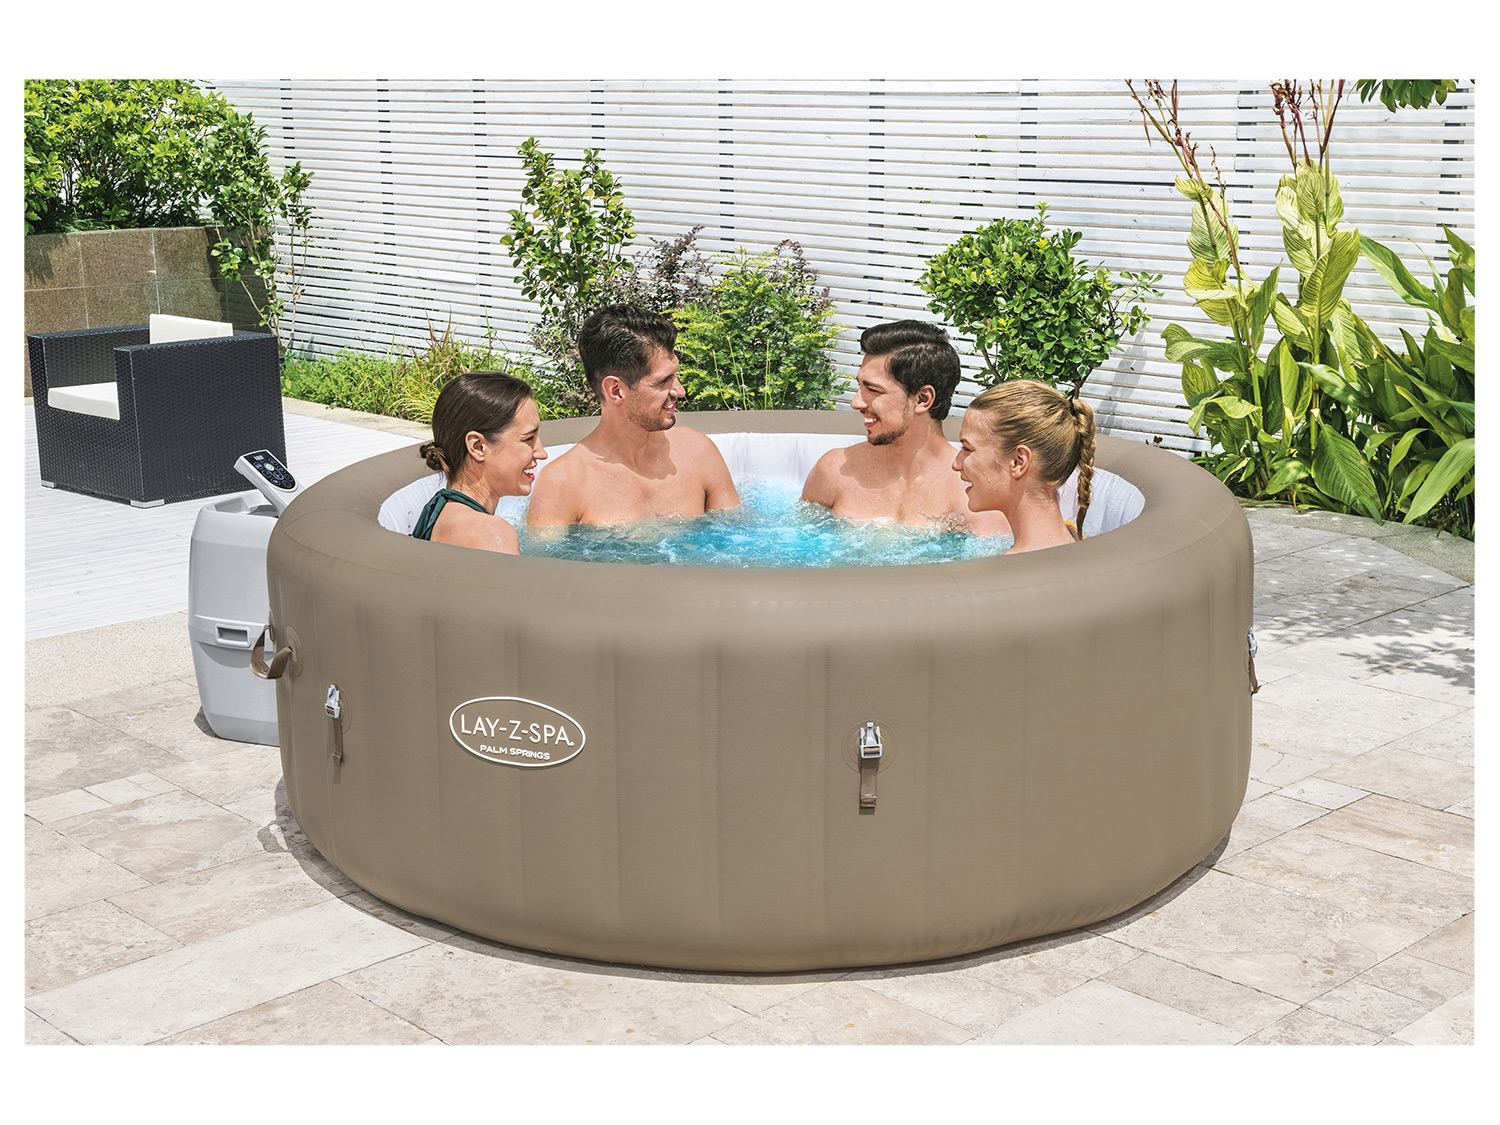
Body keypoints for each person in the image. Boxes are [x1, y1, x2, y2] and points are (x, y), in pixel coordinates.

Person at [525, 304, 739, 527]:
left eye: (675, 375)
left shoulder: (698, 452)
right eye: (663, 381)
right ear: (616, 390)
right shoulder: (562, 485)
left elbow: (735, 538)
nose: (680, 391)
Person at [799, 321, 1010, 536]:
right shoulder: (835, 471)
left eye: (873, 390)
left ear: (923, 399)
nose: (856, 402)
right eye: (860, 386)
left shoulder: (974, 494)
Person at [953, 379, 1096, 554]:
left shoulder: (1012, 568)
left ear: (1019, 462)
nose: (956, 464)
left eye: (967, 449)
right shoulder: (1071, 536)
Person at [411, 370, 547, 553]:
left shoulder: (439, 515)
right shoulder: (490, 533)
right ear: (478, 447)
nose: (542, 453)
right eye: (529, 438)